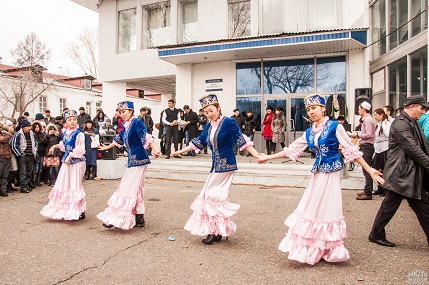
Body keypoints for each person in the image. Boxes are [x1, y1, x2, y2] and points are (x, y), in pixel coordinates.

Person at [257, 94, 384, 265]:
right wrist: (267, 157)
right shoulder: (310, 132)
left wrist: (370, 170)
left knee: (327, 209)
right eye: (308, 109)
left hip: (331, 173)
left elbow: (350, 150)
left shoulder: (334, 127)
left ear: (323, 109)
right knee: (311, 207)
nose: (311, 112)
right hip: (317, 174)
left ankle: (328, 248)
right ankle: (313, 247)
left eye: (314, 108)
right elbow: (292, 149)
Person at [171, 94, 260, 244]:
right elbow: (198, 142)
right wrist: (178, 152)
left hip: (226, 165)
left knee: (210, 196)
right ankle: (217, 231)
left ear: (218, 108)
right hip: (216, 166)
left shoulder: (228, 122)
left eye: (211, 110)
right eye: (206, 112)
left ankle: (214, 231)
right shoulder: (209, 125)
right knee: (214, 198)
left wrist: (256, 154)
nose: (209, 114)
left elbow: (241, 139)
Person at [369, 95, 429, 248]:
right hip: (402, 174)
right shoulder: (401, 123)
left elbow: (420, 147)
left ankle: (375, 234)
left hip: (406, 173)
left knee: (392, 206)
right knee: (418, 208)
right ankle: (375, 234)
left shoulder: (410, 122)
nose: (424, 111)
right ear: (411, 107)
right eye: (422, 108)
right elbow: (412, 148)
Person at [97, 101, 161, 230]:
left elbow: (145, 136)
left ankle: (117, 217)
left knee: (126, 187)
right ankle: (139, 217)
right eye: (120, 112)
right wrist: (106, 148)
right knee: (135, 188)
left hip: (139, 159)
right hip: (133, 160)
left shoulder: (137, 122)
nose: (122, 114)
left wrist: (155, 149)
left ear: (131, 111)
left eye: (124, 111)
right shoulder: (126, 127)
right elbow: (118, 140)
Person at [40, 110, 87, 221]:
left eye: (74, 119)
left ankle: (79, 210)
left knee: (75, 186)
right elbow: (64, 145)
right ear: (66, 121)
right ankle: (66, 209)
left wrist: (70, 156)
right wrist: (54, 147)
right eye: (69, 120)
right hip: (67, 162)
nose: (72, 122)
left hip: (76, 162)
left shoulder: (79, 133)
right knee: (65, 185)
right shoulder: (65, 132)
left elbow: (80, 149)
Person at [349, 101, 376, 200]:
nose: (358, 111)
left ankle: (368, 192)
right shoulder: (367, 119)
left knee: (367, 169)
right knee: (366, 169)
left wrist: (357, 135)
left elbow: (369, 134)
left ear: (363, 109)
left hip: (367, 146)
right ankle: (367, 190)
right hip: (366, 145)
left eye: (359, 109)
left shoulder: (368, 120)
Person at [10, 119, 38, 193]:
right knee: (23, 172)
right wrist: (20, 154)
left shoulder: (32, 134)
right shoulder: (18, 134)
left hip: (31, 155)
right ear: (23, 127)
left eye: (30, 126)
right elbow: (13, 145)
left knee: (29, 171)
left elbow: (35, 143)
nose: (29, 128)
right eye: (27, 126)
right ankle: (23, 187)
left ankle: (28, 185)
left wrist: (35, 151)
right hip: (23, 155)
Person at [371, 108, 391, 196]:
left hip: (385, 148)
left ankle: (385, 189)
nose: (375, 117)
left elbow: (388, 134)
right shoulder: (378, 124)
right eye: (374, 115)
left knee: (384, 169)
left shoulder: (386, 123)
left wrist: (384, 124)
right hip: (378, 149)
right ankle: (379, 187)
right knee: (377, 169)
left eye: (376, 115)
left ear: (382, 114)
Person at [0, 120, 13, 197]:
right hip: (1, 157)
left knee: (5, 175)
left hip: (7, 156)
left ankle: (3, 190)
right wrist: (10, 132)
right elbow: (5, 139)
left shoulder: (4, 133)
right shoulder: (5, 135)